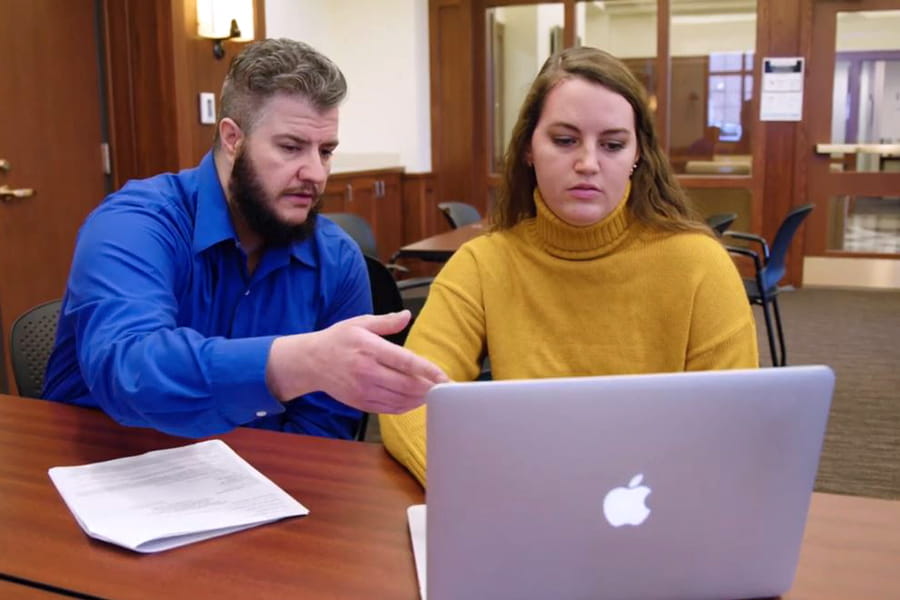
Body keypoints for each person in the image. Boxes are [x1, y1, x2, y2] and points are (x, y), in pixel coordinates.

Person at [380, 47, 758, 486]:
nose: (588, 164)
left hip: (656, 505)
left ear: (638, 154)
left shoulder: (699, 264)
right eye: (564, 140)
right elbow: (408, 398)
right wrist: (478, 487)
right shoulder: (484, 264)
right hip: (523, 497)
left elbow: (731, 424)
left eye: (613, 145)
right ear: (527, 149)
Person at [43, 38, 447, 439]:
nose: (317, 174)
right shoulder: (134, 223)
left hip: (255, 487)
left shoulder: (337, 259)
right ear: (233, 138)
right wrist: (295, 362)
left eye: (325, 151)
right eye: (291, 147)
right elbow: (129, 369)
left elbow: (324, 430)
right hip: (103, 469)